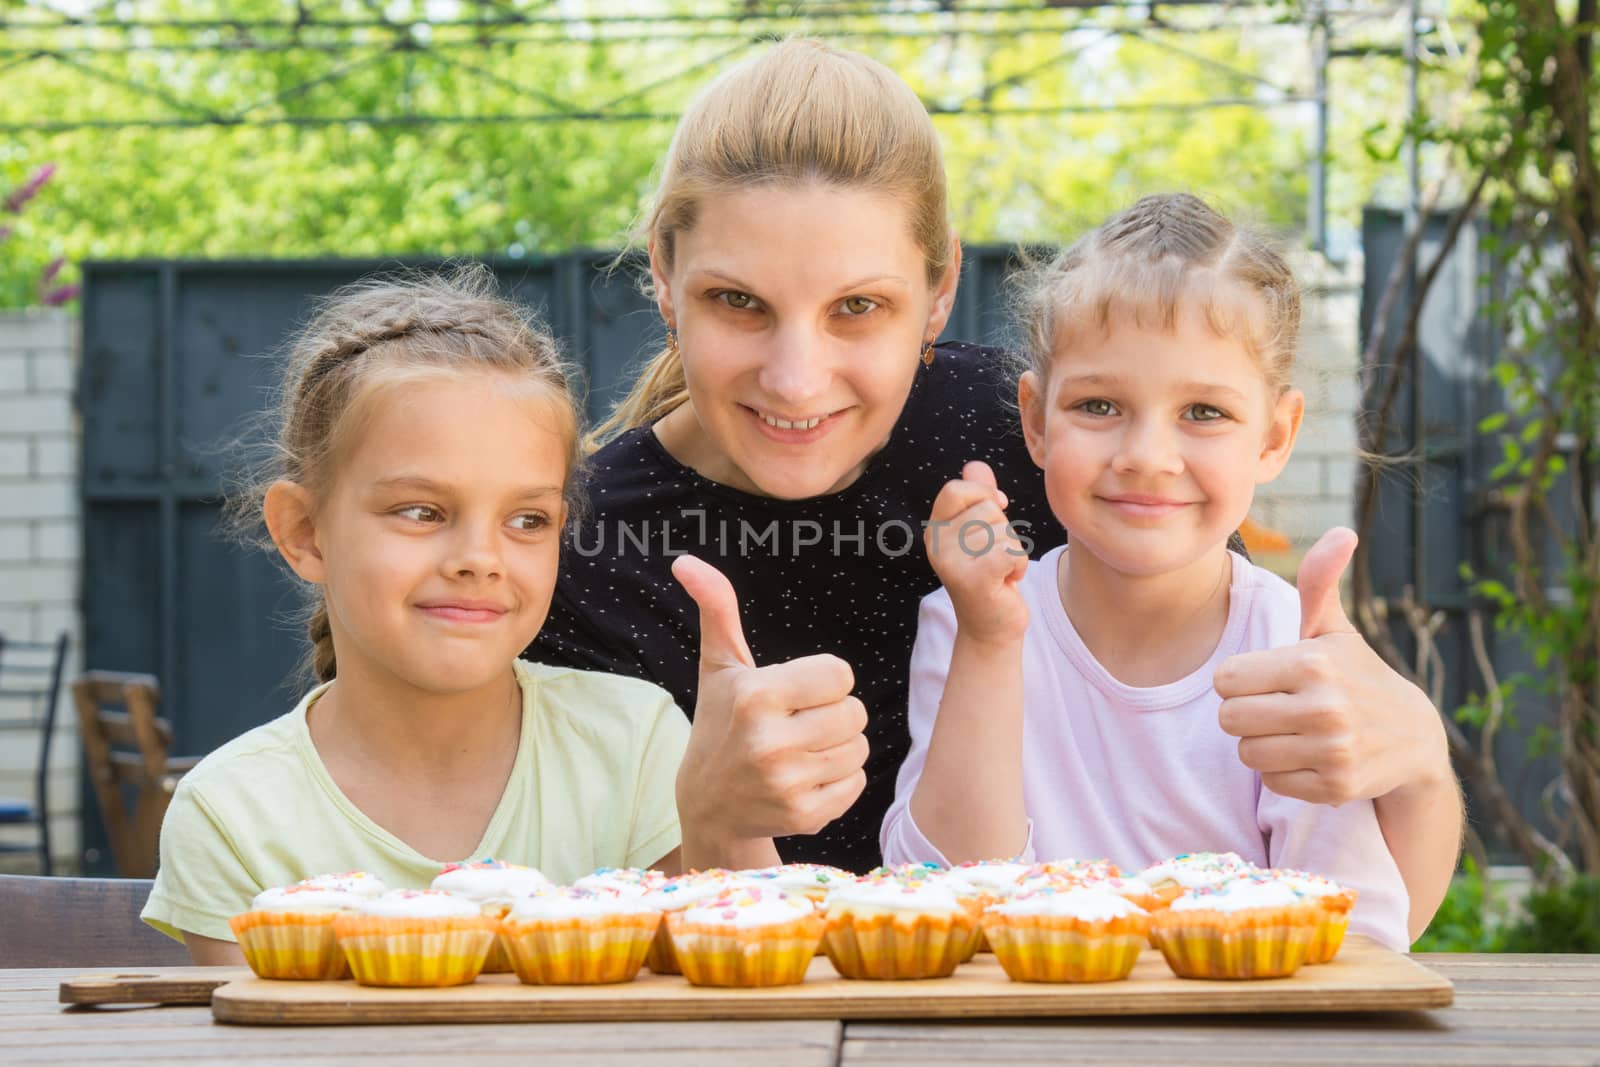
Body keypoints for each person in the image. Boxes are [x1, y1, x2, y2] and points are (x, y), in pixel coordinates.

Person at [528, 40, 1461, 936]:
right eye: (740, 302)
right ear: (664, 270)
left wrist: (1415, 756)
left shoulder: (1021, 444)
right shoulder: (580, 550)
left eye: (859, 307)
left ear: (939, 291)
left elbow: (1335, 881)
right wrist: (710, 823)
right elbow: (562, 910)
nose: (797, 379)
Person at [879, 194, 1410, 945]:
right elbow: (945, 897)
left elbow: (1359, 925)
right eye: (1099, 405)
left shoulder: (1289, 642)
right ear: (1035, 421)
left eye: (1203, 412)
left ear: (1275, 436)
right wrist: (990, 642)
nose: (1147, 456)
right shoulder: (969, 618)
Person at [142, 268, 692, 964]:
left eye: (528, 518)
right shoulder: (233, 814)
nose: (479, 557)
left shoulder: (638, 747)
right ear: (305, 531)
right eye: (421, 511)